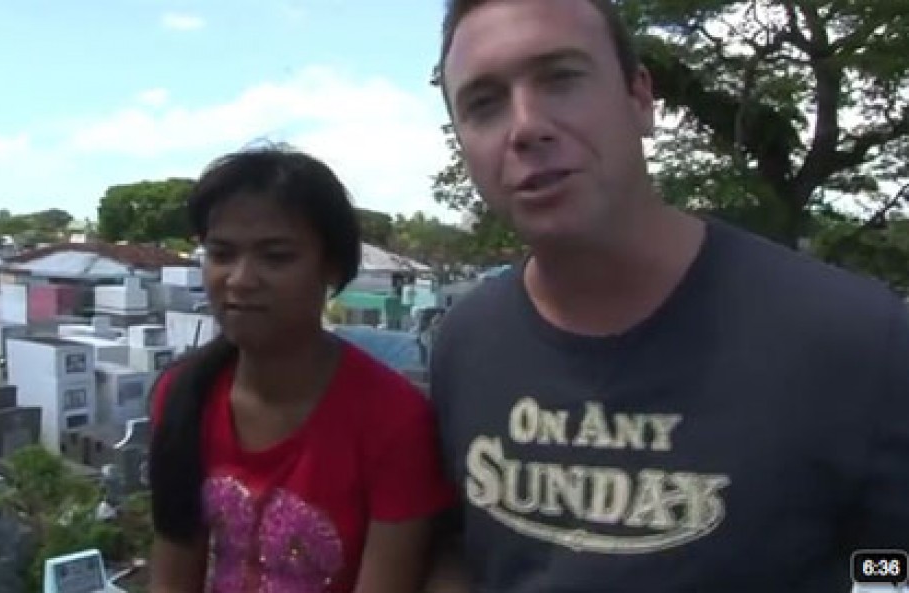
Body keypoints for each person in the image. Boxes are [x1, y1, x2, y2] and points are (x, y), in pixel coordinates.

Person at [426, 0, 909, 591]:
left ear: (640, 100)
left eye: (561, 79)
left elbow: (892, 565)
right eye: (484, 103)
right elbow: (458, 549)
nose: (525, 125)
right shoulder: (465, 344)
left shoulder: (855, 338)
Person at [148, 145, 455, 593]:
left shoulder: (393, 419)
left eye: (276, 257)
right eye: (221, 254)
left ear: (330, 266)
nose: (240, 279)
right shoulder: (183, 393)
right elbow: (173, 569)